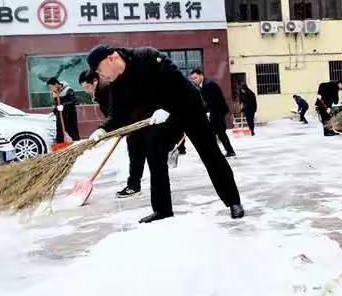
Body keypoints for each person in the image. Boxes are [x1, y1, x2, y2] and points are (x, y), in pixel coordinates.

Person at [87, 45, 244, 223]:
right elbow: (118, 115)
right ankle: (162, 209)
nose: (101, 76)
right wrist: (102, 130)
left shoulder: (146, 57)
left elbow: (176, 82)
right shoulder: (118, 84)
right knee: (154, 151)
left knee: (210, 153)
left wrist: (167, 108)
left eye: (99, 70)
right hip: (162, 117)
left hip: (187, 106)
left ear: (111, 58)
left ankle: (234, 202)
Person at [79, 69, 144, 198]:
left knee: (137, 152)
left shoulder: (108, 90)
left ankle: (134, 187)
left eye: (87, 87)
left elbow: (117, 113)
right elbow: (112, 115)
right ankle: (134, 185)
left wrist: (103, 128)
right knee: (136, 152)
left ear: (95, 82)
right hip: (130, 123)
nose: (86, 90)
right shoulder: (101, 93)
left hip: (139, 120)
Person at [190, 69, 236, 157]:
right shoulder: (204, 85)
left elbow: (213, 101)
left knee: (218, 132)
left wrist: (207, 112)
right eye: (192, 79)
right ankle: (225, 151)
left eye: (195, 78)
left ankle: (227, 151)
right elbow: (209, 102)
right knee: (216, 132)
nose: (194, 80)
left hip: (217, 111)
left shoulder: (208, 85)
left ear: (201, 76)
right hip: (216, 111)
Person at [47, 77, 80, 143]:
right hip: (60, 116)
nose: (51, 89)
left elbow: (74, 101)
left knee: (72, 132)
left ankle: (75, 146)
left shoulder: (68, 90)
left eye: (51, 87)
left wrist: (63, 106)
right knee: (59, 132)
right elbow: (57, 105)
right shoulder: (55, 92)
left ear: (56, 84)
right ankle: (61, 148)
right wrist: (54, 111)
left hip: (69, 116)